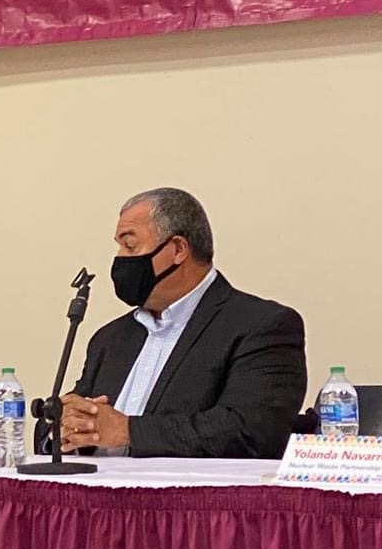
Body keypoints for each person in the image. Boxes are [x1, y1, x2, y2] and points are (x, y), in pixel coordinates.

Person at [57, 189, 306, 459]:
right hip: (92, 498)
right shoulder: (111, 338)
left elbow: (252, 432)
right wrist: (64, 425)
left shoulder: (261, 325)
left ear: (177, 249)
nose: (120, 259)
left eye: (130, 246)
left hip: (192, 499)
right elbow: (77, 418)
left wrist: (129, 430)